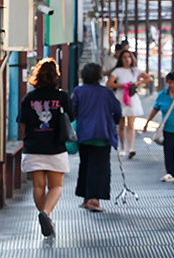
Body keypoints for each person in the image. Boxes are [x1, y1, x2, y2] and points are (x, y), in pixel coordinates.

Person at [17, 58, 74, 237]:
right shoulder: (62, 96)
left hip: (33, 147)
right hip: (55, 147)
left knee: (38, 187)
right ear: (56, 76)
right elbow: (72, 117)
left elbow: (22, 122)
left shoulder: (29, 98)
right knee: (56, 186)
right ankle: (46, 213)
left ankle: (46, 218)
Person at [72, 62, 122, 213]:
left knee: (85, 166)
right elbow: (117, 111)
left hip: (84, 135)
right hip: (102, 135)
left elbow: (72, 111)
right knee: (99, 168)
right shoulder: (107, 92)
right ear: (99, 76)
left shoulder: (78, 91)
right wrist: (113, 122)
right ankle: (94, 201)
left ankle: (86, 198)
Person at [142, 71, 174, 182]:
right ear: (167, 82)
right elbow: (155, 109)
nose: (172, 85)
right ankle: (170, 173)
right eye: (170, 83)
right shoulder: (162, 95)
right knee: (168, 151)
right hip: (168, 129)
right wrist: (147, 122)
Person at [106, 49, 152, 158]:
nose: (127, 59)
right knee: (121, 124)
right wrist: (122, 85)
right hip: (121, 97)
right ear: (121, 59)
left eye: (129, 57)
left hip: (131, 97)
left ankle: (131, 148)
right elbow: (109, 84)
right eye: (125, 57)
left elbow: (149, 78)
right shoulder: (117, 71)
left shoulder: (135, 70)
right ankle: (123, 147)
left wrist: (139, 82)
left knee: (131, 124)